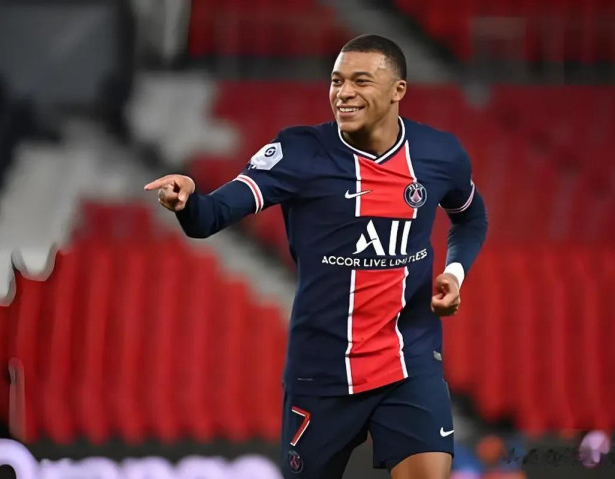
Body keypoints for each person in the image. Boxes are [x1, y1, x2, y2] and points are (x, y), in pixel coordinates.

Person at [145, 34, 488, 479]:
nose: (343, 92)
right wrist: (189, 201)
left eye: (360, 81)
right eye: (336, 80)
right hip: (323, 371)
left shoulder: (440, 154)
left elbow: (471, 218)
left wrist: (455, 273)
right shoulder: (298, 152)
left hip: (409, 360)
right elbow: (209, 217)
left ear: (397, 90)